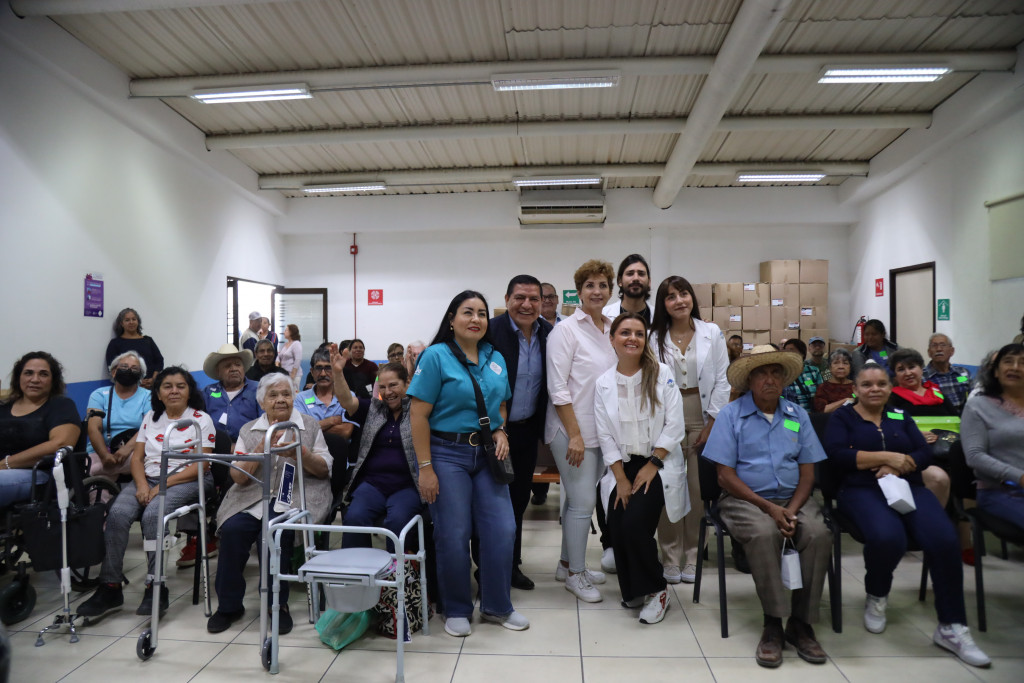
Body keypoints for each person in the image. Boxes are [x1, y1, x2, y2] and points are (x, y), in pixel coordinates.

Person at [824, 363, 990, 668]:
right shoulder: (842, 417)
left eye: (881, 384)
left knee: (943, 540)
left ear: (889, 388)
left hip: (907, 487)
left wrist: (903, 464)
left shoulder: (900, 415)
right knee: (889, 538)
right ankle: (877, 594)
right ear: (855, 389)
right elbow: (836, 455)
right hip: (860, 490)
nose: (874, 389)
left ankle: (952, 626)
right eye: (867, 384)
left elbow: (926, 451)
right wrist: (887, 457)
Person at [407, 290, 528, 637]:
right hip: (447, 453)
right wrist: (425, 467)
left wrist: (501, 430)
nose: (476, 319)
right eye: (467, 312)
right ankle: (457, 607)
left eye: (482, 313)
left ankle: (496, 605)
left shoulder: (495, 356)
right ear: (451, 319)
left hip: (489, 454)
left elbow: (501, 405)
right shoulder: (435, 357)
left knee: (502, 529)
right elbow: (417, 414)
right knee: (453, 533)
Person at [703, 345, 831, 669]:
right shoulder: (731, 415)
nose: (770, 380)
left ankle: (800, 625)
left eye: (776, 373)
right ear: (750, 380)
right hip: (744, 500)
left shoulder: (797, 415)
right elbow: (724, 476)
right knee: (763, 533)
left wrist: (791, 508)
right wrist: (769, 509)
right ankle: (773, 622)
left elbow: (808, 473)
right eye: (762, 373)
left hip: (794, 499)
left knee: (817, 533)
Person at [77, 367, 216, 621]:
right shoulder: (151, 417)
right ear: (158, 393)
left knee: (154, 514)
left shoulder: (200, 418)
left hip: (189, 478)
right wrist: (142, 486)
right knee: (117, 514)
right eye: (167, 386)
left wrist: (161, 486)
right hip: (148, 478)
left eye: (180, 386)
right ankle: (110, 586)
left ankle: (156, 584)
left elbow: (202, 465)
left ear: (189, 392)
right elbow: (137, 458)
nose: (174, 391)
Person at [206, 373, 333, 635]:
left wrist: (301, 454)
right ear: (262, 401)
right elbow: (238, 477)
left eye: (286, 394)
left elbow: (323, 470)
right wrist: (262, 448)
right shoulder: (249, 429)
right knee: (232, 531)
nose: (280, 400)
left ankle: (277, 604)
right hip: (251, 495)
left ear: (294, 397)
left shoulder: (309, 425)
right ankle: (229, 606)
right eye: (273, 395)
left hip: (296, 492)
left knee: (276, 531)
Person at [595, 313, 689, 624]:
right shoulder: (604, 383)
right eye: (624, 333)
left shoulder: (662, 374)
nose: (632, 338)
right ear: (612, 339)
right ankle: (634, 588)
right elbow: (604, 434)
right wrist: (620, 478)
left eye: (638, 333)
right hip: (623, 464)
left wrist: (653, 463)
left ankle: (657, 590)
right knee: (617, 524)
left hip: (658, 462)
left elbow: (676, 425)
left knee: (635, 524)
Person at [647, 275, 730, 585]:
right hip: (667, 418)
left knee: (696, 492)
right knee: (669, 489)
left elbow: (723, 379)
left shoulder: (712, 332)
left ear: (692, 297)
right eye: (671, 297)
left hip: (702, 415)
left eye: (683, 294)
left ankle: (693, 556)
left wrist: (712, 422)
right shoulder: (653, 336)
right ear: (663, 304)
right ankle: (669, 556)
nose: (679, 301)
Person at [545, 259, 616, 602]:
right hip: (571, 430)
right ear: (579, 291)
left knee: (577, 499)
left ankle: (566, 563)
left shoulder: (613, 328)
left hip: (602, 430)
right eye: (590, 285)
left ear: (610, 291)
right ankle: (576, 574)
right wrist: (574, 434)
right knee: (583, 502)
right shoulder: (566, 331)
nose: (597, 291)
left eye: (603, 285)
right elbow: (558, 388)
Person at [488, 275, 553, 590]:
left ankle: (510, 565)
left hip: (526, 433)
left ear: (542, 302)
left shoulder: (549, 335)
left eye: (533, 298)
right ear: (507, 298)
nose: (526, 305)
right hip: (490, 432)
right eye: (519, 297)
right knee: (489, 501)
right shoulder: (489, 331)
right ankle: (487, 565)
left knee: (517, 501)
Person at [330, 353, 421, 549]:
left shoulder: (419, 410)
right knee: (354, 517)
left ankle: (399, 577)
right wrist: (337, 372)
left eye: (394, 385)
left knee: (397, 523)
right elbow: (347, 401)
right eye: (383, 387)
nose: (388, 392)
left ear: (407, 383)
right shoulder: (374, 408)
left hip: (407, 485)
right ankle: (359, 573)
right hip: (373, 484)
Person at [0, 352, 80, 507]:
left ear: (53, 380)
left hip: (40, 475)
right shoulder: (4, 408)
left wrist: (5, 464)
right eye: (28, 373)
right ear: (18, 378)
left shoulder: (61, 406)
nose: (35, 379)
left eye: (43, 374)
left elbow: (60, 443)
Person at [961, 343, 1024, 532]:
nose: (1014, 367)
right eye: (1008, 361)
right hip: (1000, 491)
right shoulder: (978, 406)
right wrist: (1020, 477)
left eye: (1022, 362)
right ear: (996, 371)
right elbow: (974, 456)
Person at [888, 347, 955, 507]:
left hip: (947, 450)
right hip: (915, 455)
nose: (908, 372)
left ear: (921, 369)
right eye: (901, 369)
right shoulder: (892, 399)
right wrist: (914, 436)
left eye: (912, 367)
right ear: (895, 376)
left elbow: (956, 419)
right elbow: (890, 429)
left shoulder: (937, 394)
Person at [86, 351, 151, 479]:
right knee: (97, 494)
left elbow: (147, 427)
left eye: (134, 368)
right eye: (124, 367)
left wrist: (126, 450)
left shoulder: (148, 396)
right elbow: (93, 428)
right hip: (100, 451)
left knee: (141, 461)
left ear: (141, 375)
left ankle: (97, 471)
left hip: (134, 451)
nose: (128, 371)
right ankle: (101, 470)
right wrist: (104, 455)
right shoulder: (99, 395)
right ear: (114, 371)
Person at [201, 344, 262, 445]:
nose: (234, 369)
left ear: (243, 368)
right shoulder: (208, 392)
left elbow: (265, 421)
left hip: (251, 448)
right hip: (215, 449)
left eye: (238, 364)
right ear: (218, 372)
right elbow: (200, 422)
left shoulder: (258, 389)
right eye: (227, 366)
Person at [294, 349, 358, 440]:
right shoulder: (300, 398)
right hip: (309, 452)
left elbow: (345, 432)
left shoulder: (348, 397)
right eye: (319, 368)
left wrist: (313, 427)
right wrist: (332, 421)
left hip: (340, 452)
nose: (323, 374)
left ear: (335, 370)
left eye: (328, 368)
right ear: (312, 372)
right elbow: (300, 432)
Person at [105, 308, 163, 389]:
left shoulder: (148, 340)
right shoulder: (115, 343)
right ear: (122, 323)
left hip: (151, 387)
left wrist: (154, 378)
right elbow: (112, 368)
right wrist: (136, 381)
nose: (131, 322)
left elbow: (159, 361)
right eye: (127, 320)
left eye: (134, 319)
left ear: (138, 321)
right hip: (128, 388)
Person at [923, 334, 972, 413]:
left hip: (963, 419)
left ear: (951, 351)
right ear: (929, 352)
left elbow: (973, 398)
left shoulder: (963, 373)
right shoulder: (922, 377)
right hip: (937, 421)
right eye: (934, 345)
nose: (939, 349)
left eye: (943, 345)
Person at [602, 254, 652, 323]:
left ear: (649, 281)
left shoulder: (660, 317)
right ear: (620, 281)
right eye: (630, 273)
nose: (636, 278)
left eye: (641, 274)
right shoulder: (603, 315)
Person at [781, 338, 823, 411]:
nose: (788, 353)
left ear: (802, 353)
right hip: (791, 417)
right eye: (786, 350)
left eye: (791, 350)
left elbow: (822, 394)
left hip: (812, 416)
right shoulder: (782, 374)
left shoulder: (813, 371)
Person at [812, 348, 856, 413]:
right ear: (830, 367)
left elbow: (858, 401)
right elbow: (822, 410)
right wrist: (845, 401)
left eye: (845, 363)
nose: (841, 366)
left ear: (850, 367)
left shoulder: (855, 386)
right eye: (836, 363)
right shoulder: (823, 388)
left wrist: (855, 398)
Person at [278, 324, 303, 390]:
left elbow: (297, 360)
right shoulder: (285, 344)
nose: (284, 332)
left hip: (294, 375)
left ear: (291, 332)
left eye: (286, 330)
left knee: (294, 394)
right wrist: (277, 363)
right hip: (284, 374)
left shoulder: (296, 344)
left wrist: (292, 375)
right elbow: (279, 356)